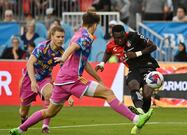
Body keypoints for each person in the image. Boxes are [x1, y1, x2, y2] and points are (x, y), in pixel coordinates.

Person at [10, 12, 152, 135]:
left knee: (49, 112)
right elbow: (73, 47)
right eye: (97, 25)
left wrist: (98, 78)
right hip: (72, 79)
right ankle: (136, 119)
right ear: (94, 25)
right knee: (108, 94)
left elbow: (84, 63)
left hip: (61, 80)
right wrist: (63, 58)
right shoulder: (86, 37)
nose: (97, 28)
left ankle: (20, 129)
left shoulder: (78, 33)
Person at [17, 26, 73, 134]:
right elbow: (30, 63)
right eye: (58, 37)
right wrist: (33, 82)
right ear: (52, 36)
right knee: (23, 111)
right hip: (30, 78)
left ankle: (45, 126)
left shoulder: (62, 53)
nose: (61, 39)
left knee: (50, 94)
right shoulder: (42, 47)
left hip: (44, 78)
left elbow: (66, 74)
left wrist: (69, 95)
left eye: (62, 37)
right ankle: (24, 120)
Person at [95, 25, 159, 115]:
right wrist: (102, 63)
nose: (120, 40)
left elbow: (153, 46)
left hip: (147, 65)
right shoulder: (111, 45)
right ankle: (140, 110)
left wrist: (137, 54)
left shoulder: (135, 36)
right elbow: (108, 52)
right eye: (117, 38)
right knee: (133, 85)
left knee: (147, 93)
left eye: (122, 37)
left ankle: (144, 111)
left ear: (125, 34)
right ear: (113, 37)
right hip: (133, 69)